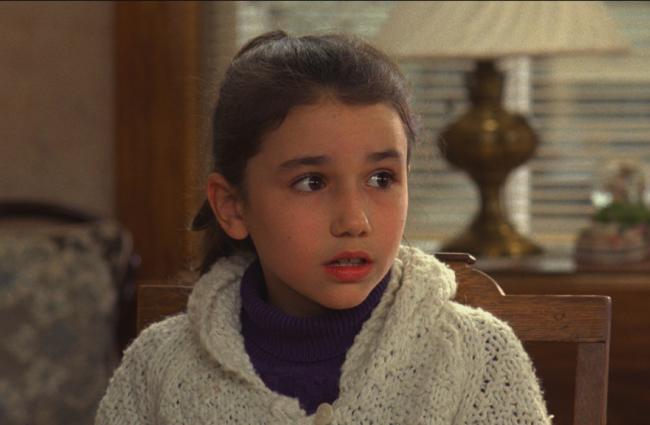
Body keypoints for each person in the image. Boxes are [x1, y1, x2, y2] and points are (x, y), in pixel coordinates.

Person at [96, 30, 551, 424]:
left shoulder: (477, 358)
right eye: (311, 182)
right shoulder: (159, 368)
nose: (354, 221)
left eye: (381, 179)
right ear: (232, 207)